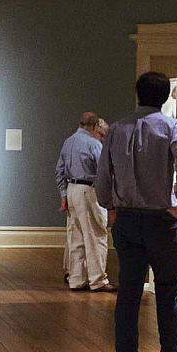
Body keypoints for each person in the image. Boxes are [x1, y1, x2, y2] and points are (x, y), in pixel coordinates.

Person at [95, 71, 177, 352]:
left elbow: (102, 177)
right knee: (167, 290)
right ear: (165, 97)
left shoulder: (116, 130)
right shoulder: (173, 127)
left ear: (138, 94)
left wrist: (110, 206)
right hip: (160, 221)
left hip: (126, 219)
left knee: (128, 293)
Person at [56, 112, 114, 292]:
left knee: (76, 237)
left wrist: (64, 195)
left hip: (72, 189)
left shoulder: (68, 142)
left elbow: (59, 171)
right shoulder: (93, 144)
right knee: (96, 235)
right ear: (96, 126)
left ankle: (76, 278)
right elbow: (103, 172)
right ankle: (98, 280)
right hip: (89, 190)